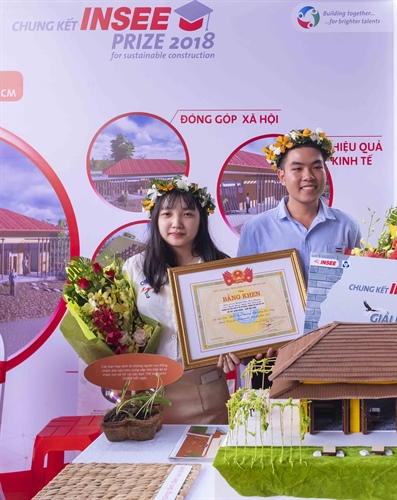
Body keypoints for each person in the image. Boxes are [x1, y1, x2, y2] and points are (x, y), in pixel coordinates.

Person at [219, 127, 362, 375]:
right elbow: (243, 293)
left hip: (332, 350)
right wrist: (253, 340)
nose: (309, 176)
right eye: (297, 169)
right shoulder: (256, 229)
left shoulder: (346, 226)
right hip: (274, 354)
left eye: (317, 167)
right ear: (282, 176)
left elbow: (357, 287)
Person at [124, 175, 231, 424]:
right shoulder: (135, 267)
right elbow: (122, 326)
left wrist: (234, 347)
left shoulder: (222, 267)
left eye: (188, 214)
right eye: (167, 214)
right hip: (147, 395)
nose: (177, 223)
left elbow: (236, 323)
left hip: (206, 392)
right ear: (155, 219)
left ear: (201, 219)